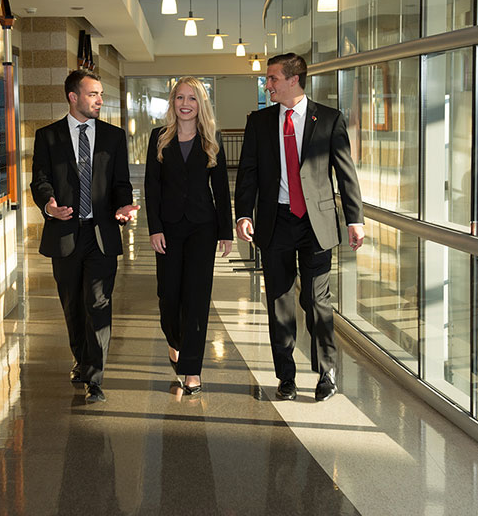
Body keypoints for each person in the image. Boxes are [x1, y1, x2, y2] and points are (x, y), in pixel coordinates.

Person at [234, 53, 365, 402]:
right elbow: (248, 173)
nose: (268, 85)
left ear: (294, 79)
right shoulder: (259, 122)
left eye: (273, 78)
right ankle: (286, 376)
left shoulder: (329, 119)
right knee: (279, 303)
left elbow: (344, 172)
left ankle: (327, 372)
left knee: (315, 300)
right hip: (275, 222)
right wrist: (243, 213)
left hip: (316, 224)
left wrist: (355, 219)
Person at [30, 70, 139, 403]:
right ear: (73, 97)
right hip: (64, 233)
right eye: (93, 94)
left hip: (101, 233)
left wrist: (123, 206)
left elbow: (121, 182)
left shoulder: (113, 136)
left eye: (101, 94)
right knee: (73, 306)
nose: (99, 100)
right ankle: (81, 358)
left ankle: (95, 374)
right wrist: (49, 204)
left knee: (98, 303)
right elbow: (40, 179)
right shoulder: (47, 136)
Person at [144, 77, 233, 394]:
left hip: (202, 228)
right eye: (180, 97)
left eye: (192, 98)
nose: (185, 104)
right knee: (168, 296)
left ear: (201, 104)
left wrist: (226, 231)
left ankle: (192, 369)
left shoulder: (212, 139)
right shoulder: (158, 138)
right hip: (167, 228)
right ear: (172, 102)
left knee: (196, 298)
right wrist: (154, 227)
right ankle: (175, 340)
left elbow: (221, 190)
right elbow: (151, 189)